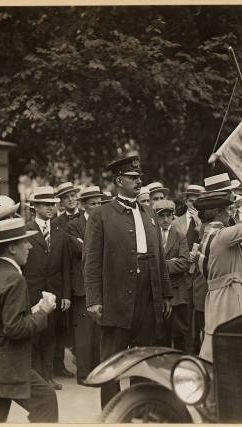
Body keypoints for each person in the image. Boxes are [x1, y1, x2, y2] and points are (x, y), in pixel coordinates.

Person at [83, 155, 172, 408]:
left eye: (139, 178)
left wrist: (165, 293)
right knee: (112, 361)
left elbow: (159, 258)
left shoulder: (149, 214)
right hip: (115, 296)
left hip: (148, 295)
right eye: (133, 178)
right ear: (119, 180)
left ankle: (140, 410)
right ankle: (112, 413)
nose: (138, 181)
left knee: (144, 360)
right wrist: (94, 300)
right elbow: (91, 261)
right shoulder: (101, 215)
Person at [0, 218, 58, 422]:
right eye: (24, 242)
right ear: (11, 248)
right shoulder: (14, 278)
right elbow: (15, 328)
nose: (29, 246)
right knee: (45, 400)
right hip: (5, 364)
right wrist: (43, 311)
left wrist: (33, 311)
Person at [193, 191, 242, 361]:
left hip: (217, 296)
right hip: (229, 296)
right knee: (232, 340)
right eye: (227, 209)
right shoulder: (223, 236)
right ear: (217, 213)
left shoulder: (208, 236)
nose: (231, 212)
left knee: (216, 339)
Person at [23, 186, 71, 390]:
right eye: (45, 205)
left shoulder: (60, 231)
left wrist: (66, 294)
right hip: (31, 291)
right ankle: (35, 379)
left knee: (50, 335)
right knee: (33, 335)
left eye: (53, 205)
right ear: (35, 207)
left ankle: (48, 377)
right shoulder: (25, 230)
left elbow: (66, 266)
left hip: (54, 291)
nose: (51, 208)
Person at [67, 186, 103, 385]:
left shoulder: (105, 222)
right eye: (93, 204)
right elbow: (80, 250)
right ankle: (83, 374)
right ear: (83, 205)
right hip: (81, 287)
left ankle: (97, 373)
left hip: (100, 286)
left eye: (99, 203)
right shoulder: (74, 225)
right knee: (83, 332)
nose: (97, 207)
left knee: (99, 332)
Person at [50, 181, 79, 379]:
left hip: (79, 274)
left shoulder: (85, 217)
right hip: (62, 274)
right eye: (66, 197)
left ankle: (80, 358)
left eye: (72, 195)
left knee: (76, 322)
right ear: (60, 202)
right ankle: (57, 364)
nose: (71, 199)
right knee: (60, 322)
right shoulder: (56, 222)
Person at [154, 200, 191, 350]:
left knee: (180, 334)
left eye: (169, 216)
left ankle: (181, 367)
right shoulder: (151, 236)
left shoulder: (180, 236)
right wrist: (171, 262)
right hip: (158, 292)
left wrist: (161, 264)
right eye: (161, 216)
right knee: (161, 336)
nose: (165, 220)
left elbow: (185, 263)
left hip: (177, 294)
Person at [172, 184, 205, 352]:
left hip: (199, 273)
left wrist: (199, 221)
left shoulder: (205, 221)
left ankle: (197, 351)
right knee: (183, 317)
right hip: (181, 274)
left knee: (198, 317)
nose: (194, 205)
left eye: (197, 201)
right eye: (191, 201)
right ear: (186, 201)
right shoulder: (176, 221)